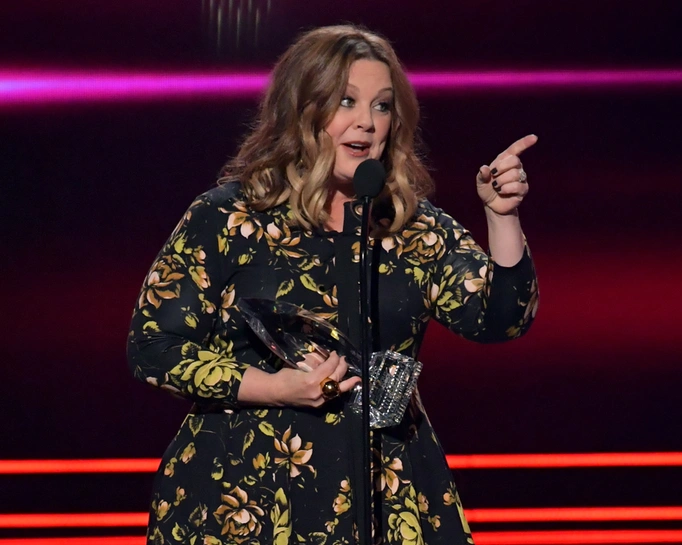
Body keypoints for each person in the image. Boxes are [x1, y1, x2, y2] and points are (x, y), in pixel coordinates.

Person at [127, 24, 539, 545]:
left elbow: (501, 320)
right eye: (346, 101)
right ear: (301, 110)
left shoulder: (410, 226)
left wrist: (502, 217)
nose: (366, 121)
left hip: (386, 490)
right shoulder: (229, 217)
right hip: (248, 495)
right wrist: (275, 388)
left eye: (382, 106)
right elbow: (153, 348)